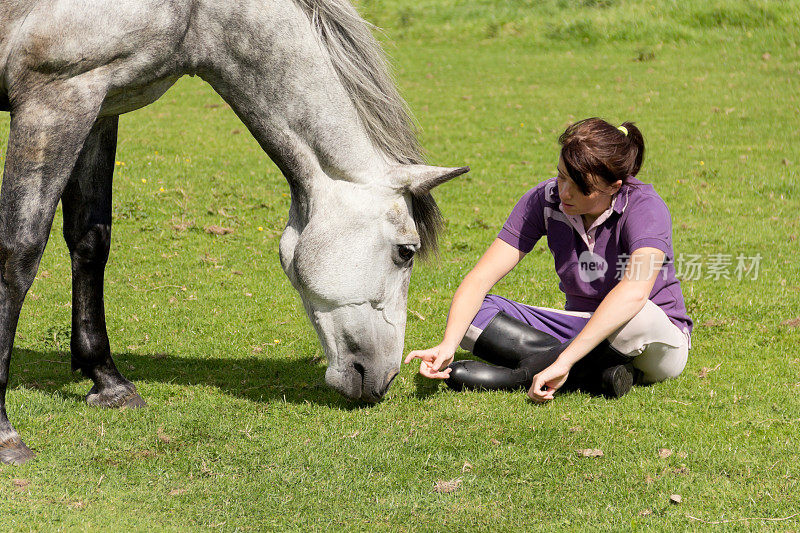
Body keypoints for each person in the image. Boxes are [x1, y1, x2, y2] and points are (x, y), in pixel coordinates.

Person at [404, 118, 692, 403]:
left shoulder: (645, 207)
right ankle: (599, 375)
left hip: (653, 341)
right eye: (562, 175)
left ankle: (520, 375)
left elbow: (635, 291)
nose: (565, 192)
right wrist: (448, 344)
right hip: (578, 327)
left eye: (581, 187)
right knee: (471, 316)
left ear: (614, 186)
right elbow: (480, 278)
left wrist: (564, 359)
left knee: (636, 314)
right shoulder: (544, 199)